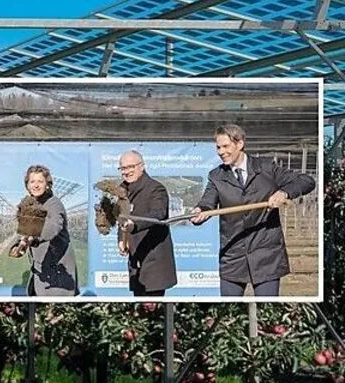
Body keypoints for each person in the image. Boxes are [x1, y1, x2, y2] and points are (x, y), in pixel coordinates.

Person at [190, 124, 315, 296]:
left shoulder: (266, 168)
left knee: (266, 308)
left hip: (266, 256)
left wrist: (284, 192)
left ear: (240, 144)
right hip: (233, 256)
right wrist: (200, 210)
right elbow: (207, 202)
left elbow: (306, 181)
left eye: (225, 146)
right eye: (218, 147)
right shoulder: (216, 176)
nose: (220, 152)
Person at [117, 150, 177, 296]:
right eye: (123, 168)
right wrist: (121, 240)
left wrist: (134, 224)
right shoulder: (121, 191)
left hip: (154, 261)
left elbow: (158, 215)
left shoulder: (156, 189)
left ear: (141, 166)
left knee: (152, 309)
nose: (127, 172)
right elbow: (121, 218)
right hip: (135, 261)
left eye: (131, 167)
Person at [13, 165, 77, 296]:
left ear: (47, 184)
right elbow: (26, 233)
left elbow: (54, 226)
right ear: (27, 185)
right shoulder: (29, 204)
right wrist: (20, 246)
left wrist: (34, 237)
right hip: (39, 272)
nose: (36, 185)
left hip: (57, 272)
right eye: (32, 181)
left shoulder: (54, 204)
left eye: (40, 181)